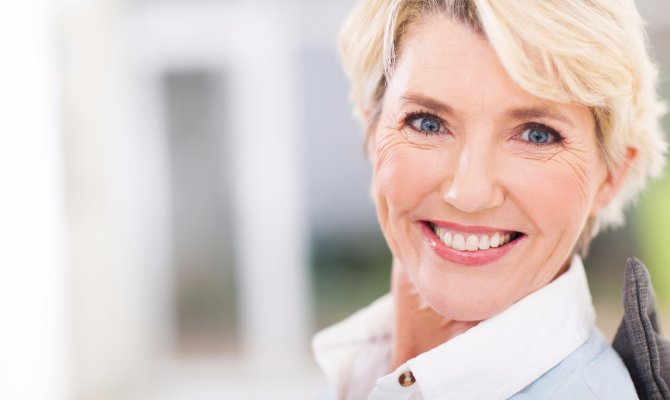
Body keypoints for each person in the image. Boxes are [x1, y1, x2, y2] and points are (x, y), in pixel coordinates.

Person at [312, 0, 669, 399]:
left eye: (536, 135)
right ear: (371, 129)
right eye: (428, 123)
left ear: (611, 176)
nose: (469, 193)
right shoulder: (358, 374)